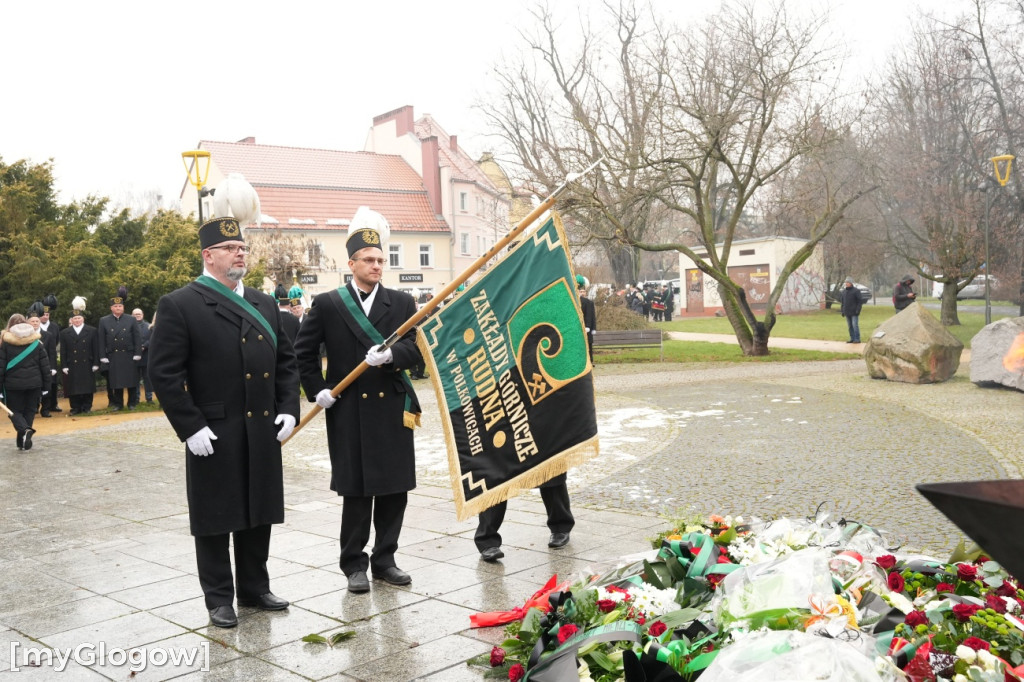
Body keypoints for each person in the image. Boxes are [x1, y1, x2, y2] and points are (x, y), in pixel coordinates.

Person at [149, 216, 300, 629]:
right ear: (208, 255)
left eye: (243, 248)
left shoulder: (263, 302)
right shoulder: (181, 303)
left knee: (258, 510)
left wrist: (288, 406)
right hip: (214, 430)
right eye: (231, 248)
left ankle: (254, 587)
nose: (240, 253)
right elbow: (163, 373)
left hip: (261, 426)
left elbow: (286, 362)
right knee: (216, 516)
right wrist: (190, 425)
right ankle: (219, 597)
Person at [293, 206, 422, 594]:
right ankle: (354, 564)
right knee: (356, 490)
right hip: (348, 410)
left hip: (392, 409)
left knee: (394, 489)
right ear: (352, 263)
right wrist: (317, 388)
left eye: (381, 259)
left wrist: (393, 357)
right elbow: (304, 351)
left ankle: (385, 559)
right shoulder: (330, 304)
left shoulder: (401, 303)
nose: (377, 265)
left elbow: (416, 350)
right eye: (369, 260)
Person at [0, 314, 50, 450]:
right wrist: (46, 385)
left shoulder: (5, 343)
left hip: (13, 385)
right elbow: (45, 366)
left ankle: (25, 430)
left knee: (14, 411)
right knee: (30, 411)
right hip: (35, 383)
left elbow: (1, 367)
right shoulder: (37, 343)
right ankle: (23, 441)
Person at [98, 291, 141, 411]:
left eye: (120, 306)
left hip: (128, 354)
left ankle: (132, 403)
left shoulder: (131, 319)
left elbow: (137, 338)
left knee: (131, 381)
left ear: (123, 307)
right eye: (115, 306)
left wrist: (137, 353)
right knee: (116, 382)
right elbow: (101, 340)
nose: (118, 308)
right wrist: (103, 356)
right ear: (111, 308)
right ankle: (118, 404)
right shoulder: (104, 320)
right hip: (113, 355)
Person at [60, 299, 100, 415]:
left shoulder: (92, 331)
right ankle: (75, 407)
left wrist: (96, 363)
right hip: (72, 363)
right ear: (71, 320)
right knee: (73, 387)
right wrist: (64, 365)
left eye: (79, 318)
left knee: (87, 386)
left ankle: (87, 407)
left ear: (83, 319)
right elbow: (63, 351)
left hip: (87, 362)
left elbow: (95, 348)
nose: (77, 320)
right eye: (74, 319)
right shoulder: (65, 333)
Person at [26, 304, 57, 417]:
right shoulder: (25, 336)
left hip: (45, 365)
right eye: (32, 321)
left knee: (47, 388)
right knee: (33, 388)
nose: (35, 323)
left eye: (36, 321)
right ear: (28, 323)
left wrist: (53, 367)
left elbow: (52, 352)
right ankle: (34, 408)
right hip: (31, 366)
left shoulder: (48, 335)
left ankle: (46, 409)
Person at [39, 294, 62, 414]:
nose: (45, 317)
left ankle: (54, 404)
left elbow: (56, 340)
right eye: (43, 315)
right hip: (39, 357)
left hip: (50, 356)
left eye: (47, 315)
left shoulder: (54, 326)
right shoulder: (35, 326)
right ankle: (39, 406)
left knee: (53, 383)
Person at [132, 308, 153, 402]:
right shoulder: (129, 326)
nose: (137, 315)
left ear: (143, 314)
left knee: (147, 379)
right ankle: (136, 398)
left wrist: (144, 346)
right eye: (135, 314)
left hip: (146, 356)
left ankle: (149, 398)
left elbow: (152, 338)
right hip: (133, 357)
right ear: (132, 315)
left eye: (139, 314)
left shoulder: (149, 326)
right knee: (135, 379)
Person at [577, 274, 596, 361]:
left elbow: (590, 316)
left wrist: (590, 327)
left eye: (583, 291)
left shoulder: (588, 302)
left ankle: (589, 360)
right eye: (581, 291)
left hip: (585, 328)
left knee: (588, 345)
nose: (582, 293)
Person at [840, 278, 863, 344]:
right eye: (845, 282)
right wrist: (842, 311)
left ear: (851, 283)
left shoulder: (856, 291)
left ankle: (857, 338)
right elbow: (843, 302)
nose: (846, 283)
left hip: (854, 312)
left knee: (855, 325)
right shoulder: (844, 292)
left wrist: (858, 310)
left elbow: (859, 301)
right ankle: (852, 338)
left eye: (848, 282)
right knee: (850, 326)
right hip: (847, 312)